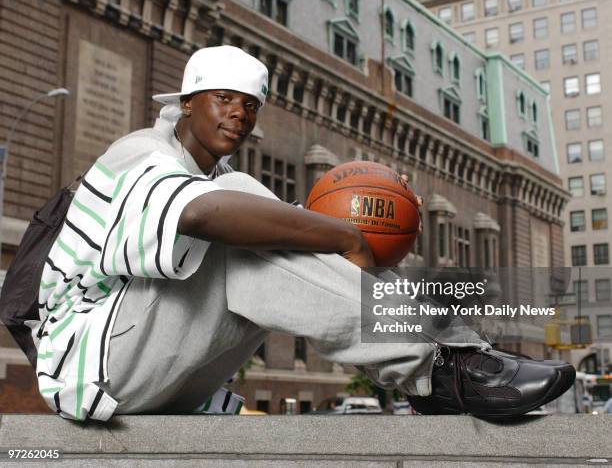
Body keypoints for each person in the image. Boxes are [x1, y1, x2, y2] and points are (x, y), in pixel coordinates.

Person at [33, 46, 575, 421]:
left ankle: (451, 361)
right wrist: (345, 237)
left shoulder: (217, 181)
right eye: (224, 99)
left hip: (165, 374)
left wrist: (381, 222)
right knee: (243, 223)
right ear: (187, 101)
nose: (239, 115)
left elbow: (294, 241)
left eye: (250, 105)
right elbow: (203, 216)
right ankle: (439, 366)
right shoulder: (139, 154)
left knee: (269, 222)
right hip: (98, 365)